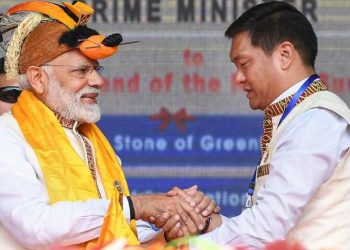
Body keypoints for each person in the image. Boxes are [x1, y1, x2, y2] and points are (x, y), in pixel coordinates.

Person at [0, 1, 218, 249]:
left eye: (96, 69)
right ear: (38, 78)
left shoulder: (92, 141)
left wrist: (170, 231)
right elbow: (35, 226)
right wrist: (137, 206)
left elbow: (125, 229)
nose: (98, 80)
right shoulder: (7, 136)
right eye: (82, 71)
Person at [154, 1, 350, 249]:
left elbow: (266, 230)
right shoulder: (298, 116)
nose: (238, 77)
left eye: (244, 64)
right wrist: (203, 223)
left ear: (285, 55)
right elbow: (264, 227)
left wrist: (183, 247)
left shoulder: (317, 119)